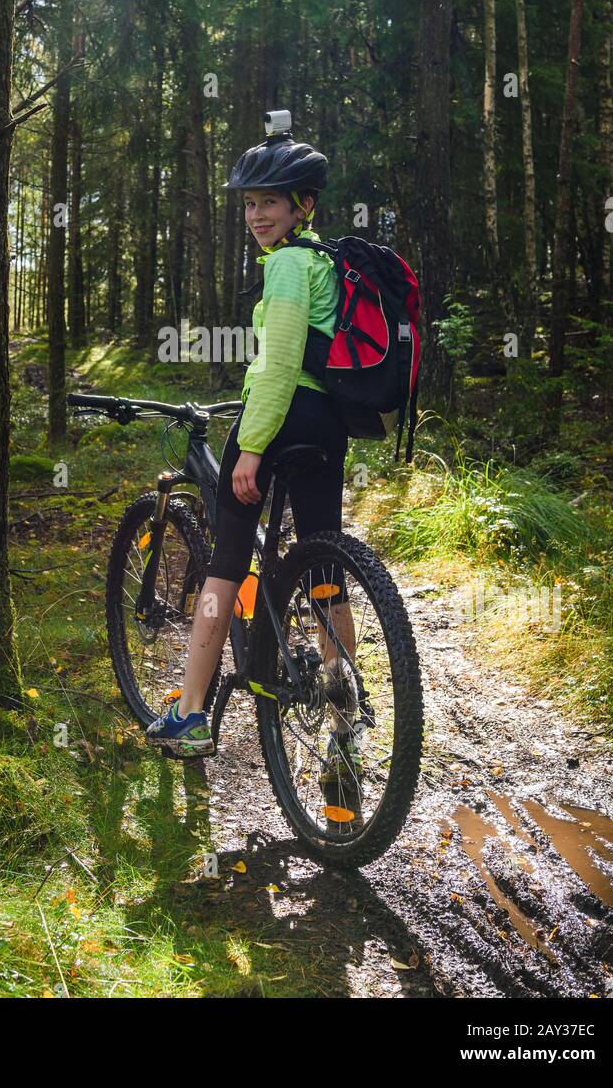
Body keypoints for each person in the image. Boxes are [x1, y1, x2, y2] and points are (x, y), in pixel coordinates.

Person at [145, 116, 362, 787]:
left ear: (303, 206)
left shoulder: (291, 267)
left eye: (270, 201)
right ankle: (343, 732)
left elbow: (276, 363)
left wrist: (251, 447)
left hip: (281, 416)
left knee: (223, 563)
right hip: (325, 424)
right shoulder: (321, 260)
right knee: (324, 561)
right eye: (248, 202)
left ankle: (188, 718)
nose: (256, 214)